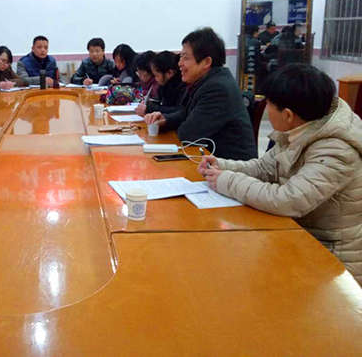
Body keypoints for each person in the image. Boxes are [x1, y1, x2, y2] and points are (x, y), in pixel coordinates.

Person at [198, 64, 362, 285]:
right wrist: (223, 166)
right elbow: (264, 168)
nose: (266, 108)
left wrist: (227, 180)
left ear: (288, 115)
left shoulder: (335, 149)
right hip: (297, 234)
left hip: (331, 259)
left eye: (268, 104)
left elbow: (289, 200)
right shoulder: (302, 127)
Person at [144, 27, 257, 160]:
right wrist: (165, 120)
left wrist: (173, 122)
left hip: (229, 166)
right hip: (207, 159)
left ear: (206, 62)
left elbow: (187, 134)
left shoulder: (217, 88)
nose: (179, 64)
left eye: (185, 58)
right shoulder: (205, 81)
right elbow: (186, 113)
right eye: (180, 57)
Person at [138, 51, 185, 116]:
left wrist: (151, 108)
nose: (155, 79)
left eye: (156, 75)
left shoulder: (181, 88)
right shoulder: (164, 86)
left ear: (170, 73)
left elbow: (178, 111)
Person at [133, 51, 157, 116]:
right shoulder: (147, 85)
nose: (139, 76)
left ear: (145, 72)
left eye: (139, 72)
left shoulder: (156, 87)